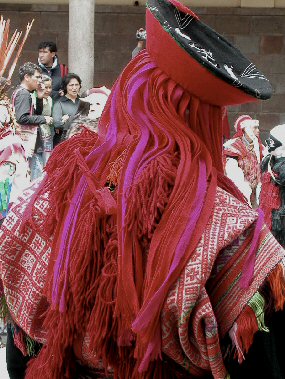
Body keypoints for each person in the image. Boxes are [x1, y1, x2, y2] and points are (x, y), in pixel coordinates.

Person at [0, 1, 285, 379]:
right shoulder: (234, 234)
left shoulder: (41, 200)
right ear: (208, 120)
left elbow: (21, 355)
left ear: (123, 97)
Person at [12, 62, 53, 180]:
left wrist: (39, 98)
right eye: (37, 77)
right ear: (27, 77)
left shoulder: (26, 93)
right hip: (25, 142)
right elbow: (22, 118)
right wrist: (44, 119)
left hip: (28, 142)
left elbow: (34, 113)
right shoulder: (23, 94)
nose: (40, 81)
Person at [223, 115, 264, 208]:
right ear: (246, 129)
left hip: (256, 191)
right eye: (255, 128)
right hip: (240, 190)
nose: (258, 131)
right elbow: (231, 172)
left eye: (258, 128)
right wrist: (245, 187)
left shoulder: (260, 147)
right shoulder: (233, 147)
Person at [52, 73, 82, 146]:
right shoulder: (59, 104)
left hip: (81, 141)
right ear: (65, 87)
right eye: (71, 85)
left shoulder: (83, 102)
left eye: (76, 85)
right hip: (64, 141)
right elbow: (57, 124)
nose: (74, 88)